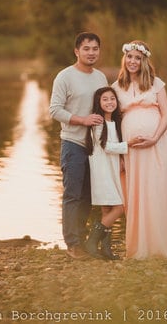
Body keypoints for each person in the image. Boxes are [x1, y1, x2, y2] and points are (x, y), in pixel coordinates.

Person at [112, 40, 167, 260]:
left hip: (157, 144)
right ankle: (139, 248)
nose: (133, 61)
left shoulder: (155, 83)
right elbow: (113, 123)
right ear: (124, 59)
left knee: (156, 188)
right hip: (131, 149)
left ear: (144, 61)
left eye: (138, 58)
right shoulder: (116, 87)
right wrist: (119, 154)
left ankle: (162, 246)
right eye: (130, 57)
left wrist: (154, 138)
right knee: (136, 192)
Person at [49, 32, 108, 260]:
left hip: (96, 146)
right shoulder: (65, 77)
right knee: (73, 194)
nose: (91, 52)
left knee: (88, 196)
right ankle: (73, 244)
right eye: (86, 49)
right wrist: (82, 120)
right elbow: (54, 110)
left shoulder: (101, 78)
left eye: (95, 48)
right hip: (73, 143)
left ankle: (82, 239)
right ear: (77, 51)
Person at [84, 87, 138, 260]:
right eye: (105, 99)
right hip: (102, 171)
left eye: (112, 99)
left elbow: (113, 145)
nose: (109, 102)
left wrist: (122, 158)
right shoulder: (98, 122)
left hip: (112, 170)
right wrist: (128, 145)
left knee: (107, 210)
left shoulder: (115, 122)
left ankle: (106, 250)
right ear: (98, 103)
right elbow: (106, 146)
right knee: (119, 208)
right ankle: (91, 241)